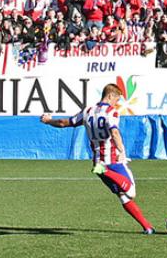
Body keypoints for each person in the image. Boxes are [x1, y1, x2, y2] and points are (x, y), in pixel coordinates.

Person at [40, 83, 156, 234]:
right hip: (112, 160)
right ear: (110, 96)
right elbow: (114, 132)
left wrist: (48, 120)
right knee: (131, 192)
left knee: (123, 196)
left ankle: (147, 227)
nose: (117, 103)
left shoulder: (88, 111)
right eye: (117, 99)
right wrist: (122, 151)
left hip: (98, 161)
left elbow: (64, 123)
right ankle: (105, 171)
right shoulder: (111, 112)